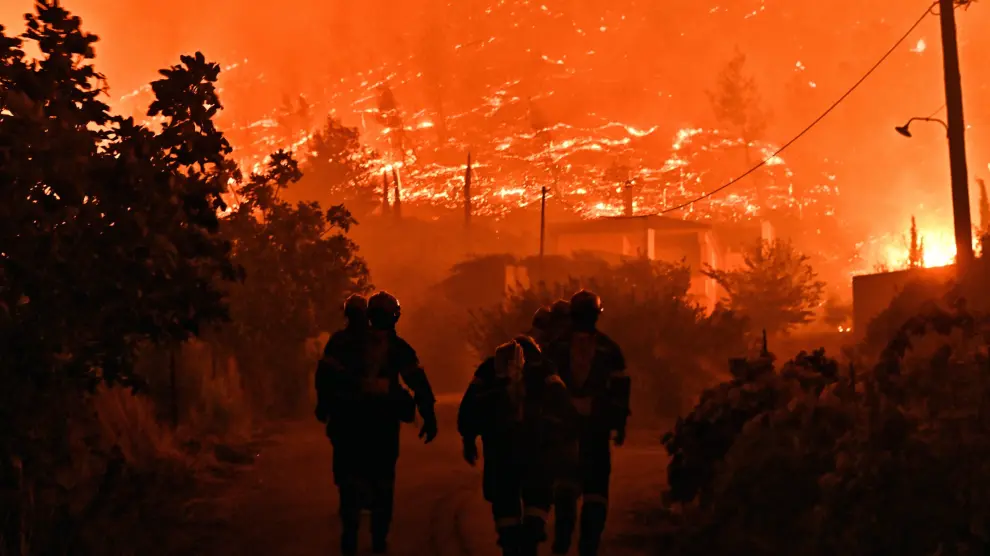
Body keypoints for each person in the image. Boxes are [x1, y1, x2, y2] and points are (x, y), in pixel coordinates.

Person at [319, 290, 438, 555]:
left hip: (348, 423)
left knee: (349, 481)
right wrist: (428, 416)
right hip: (382, 426)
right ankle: (378, 540)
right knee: (383, 482)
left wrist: (325, 407)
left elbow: (324, 378)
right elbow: (418, 382)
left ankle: (350, 535)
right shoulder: (397, 348)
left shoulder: (342, 342)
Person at [458, 336, 577, 556]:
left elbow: (469, 407)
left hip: (502, 452)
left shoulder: (488, 370)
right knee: (536, 500)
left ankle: (515, 539)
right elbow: (564, 404)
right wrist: (562, 435)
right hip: (534, 450)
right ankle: (528, 534)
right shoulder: (544, 369)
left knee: (507, 514)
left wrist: (468, 439)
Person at [547, 290, 630, 556]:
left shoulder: (556, 347)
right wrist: (619, 426)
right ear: (597, 316)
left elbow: (541, 389)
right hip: (595, 429)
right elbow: (620, 393)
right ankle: (588, 548)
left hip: (564, 429)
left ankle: (562, 544)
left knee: (565, 488)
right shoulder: (611, 349)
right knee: (595, 492)